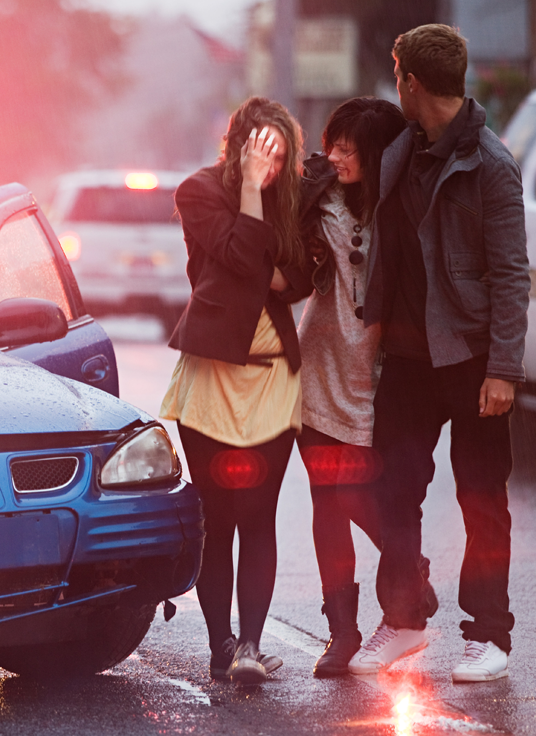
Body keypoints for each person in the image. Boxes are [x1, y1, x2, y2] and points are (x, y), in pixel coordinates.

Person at [346, 24, 529, 682]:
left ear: (412, 81)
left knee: (482, 499)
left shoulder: (490, 166)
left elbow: (511, 275)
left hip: (473, 357)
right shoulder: (399, 149)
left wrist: (504, 369)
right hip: (408, 357)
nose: (394, 84)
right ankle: (401, 624)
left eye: (396, 73)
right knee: (394, 490)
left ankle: (490, 635)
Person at [160, 96, 311, 684]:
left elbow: (300, 276)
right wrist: (251, 194)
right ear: (239, 145)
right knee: (216, 518)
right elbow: (249, 256)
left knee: (259, 515)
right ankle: (221, 646)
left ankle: (250, 646)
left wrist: (262, 260)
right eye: (260, 151)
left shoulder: (292, 202)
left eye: (279, 155)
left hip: (274, 378)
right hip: (212, 375)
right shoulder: (197, 192)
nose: (269, 166)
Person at [294, 97, 438, 678]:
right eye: (335, 142)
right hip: (320, 371)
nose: (338, 155)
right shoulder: (318, 198)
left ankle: (409, 569)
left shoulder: (400, 206)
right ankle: (342, 631)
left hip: (380, 377)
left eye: (352, 146)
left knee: (366, 496)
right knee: (327, 500)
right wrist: (309, 179)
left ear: (379, 154)